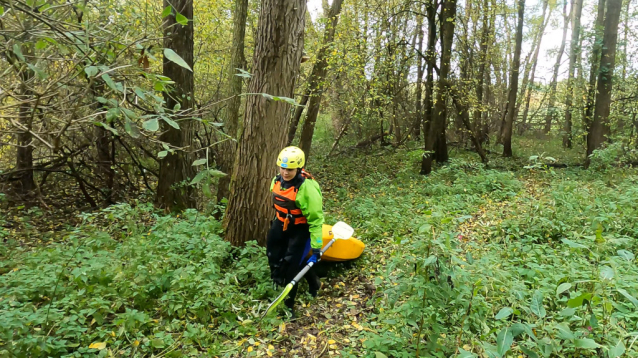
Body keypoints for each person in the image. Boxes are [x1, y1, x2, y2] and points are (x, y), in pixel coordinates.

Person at [267, 146, 324, 317]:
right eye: (283, 168)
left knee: (291, 266)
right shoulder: (277, 181)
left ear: (298, 168)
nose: (285, 172)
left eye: (290, 169)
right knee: (273, 255)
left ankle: (289, 306)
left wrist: (316, 246)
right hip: (282, 223)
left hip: (301, 229)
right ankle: (310, 281)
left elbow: (315, 220)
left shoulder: (307, 187)